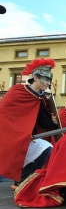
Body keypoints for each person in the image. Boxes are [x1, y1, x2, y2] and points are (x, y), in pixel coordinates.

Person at [0, 58, 59, 187]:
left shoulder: (41, 99)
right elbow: (4, 113)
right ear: (36, 78)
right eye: (45, 79)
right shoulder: (17, 91)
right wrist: (17, 132)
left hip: (29, 139)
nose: (48, 83)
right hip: (12, 137)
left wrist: (52, 123)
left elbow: (42, 121)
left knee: (47, 149)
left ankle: (22, 180)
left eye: (49, 80)